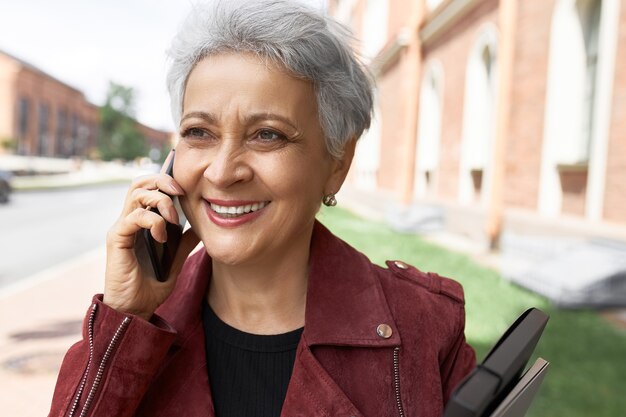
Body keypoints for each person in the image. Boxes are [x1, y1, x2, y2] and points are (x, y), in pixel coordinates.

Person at [49, 1, 476, 416]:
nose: (221, 171)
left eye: (267, 135)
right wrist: (124, 322)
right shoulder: (135, 324)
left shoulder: (427, 327)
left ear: (337, 163)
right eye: (199, 132)